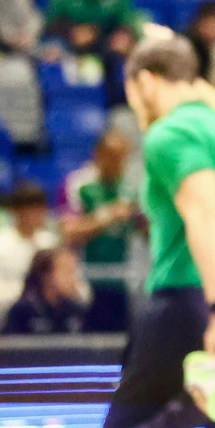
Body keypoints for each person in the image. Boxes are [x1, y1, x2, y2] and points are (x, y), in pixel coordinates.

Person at [103, 33, 215, 428]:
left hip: (189, 308)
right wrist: (178, 61)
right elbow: (212, 101)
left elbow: (206, 214)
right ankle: (199, 401)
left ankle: (194, 404)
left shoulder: (169, 135)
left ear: (145, 82)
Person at [61, 129, 140, 332]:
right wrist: (107, 216)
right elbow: (68, 231)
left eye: (123, 158)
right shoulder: (78, 184)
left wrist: (142, 220)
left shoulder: (130, 188)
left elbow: (146, 232)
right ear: (99, 155)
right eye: (114, 157)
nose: (119, 164)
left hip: (121, 281)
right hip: (85, 281)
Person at [0, 181, 59, 332]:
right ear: (17, 211)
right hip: (6, 331)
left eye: (42, 208)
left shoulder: (51, 243)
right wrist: (29, 293)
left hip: (51, 328)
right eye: (33, 208)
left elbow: (80, 291)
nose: (40, 213)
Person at [2, 246, 90, 335]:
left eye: (74, 272)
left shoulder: (77, 311)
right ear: (47, 275)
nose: (74, 279)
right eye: (67, 272)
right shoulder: (23, 311)